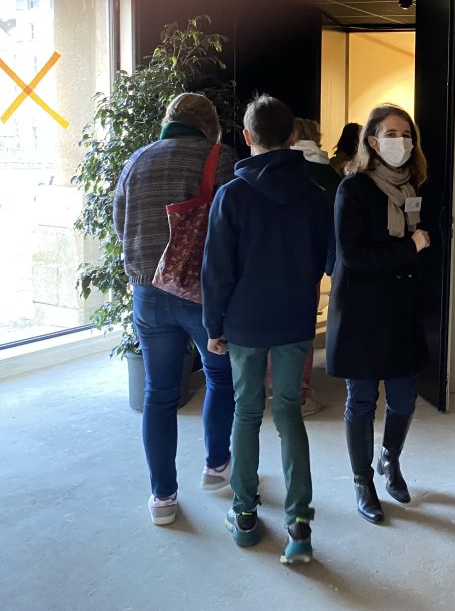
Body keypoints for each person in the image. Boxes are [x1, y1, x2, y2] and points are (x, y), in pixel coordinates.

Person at [202, 95, 331, 564]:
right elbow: (323, 258)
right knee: (290, 412)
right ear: (294, 136)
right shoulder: (315, 194)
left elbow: (217, 270)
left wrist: (213, 325)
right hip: (295, 318)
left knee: (247, 412)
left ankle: (245, 515)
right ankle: (299, 526)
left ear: (247, 137)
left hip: (245, 323)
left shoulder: (231, 196)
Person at [113, 92, 238, 527]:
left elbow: (119, 222)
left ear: (170, 119)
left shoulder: (136, 160)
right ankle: (216, 465)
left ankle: (162, 497)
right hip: (203, 296)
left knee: (159, 394)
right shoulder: (220, 158)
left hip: (148, 294)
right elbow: (233, 226)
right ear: (210, 126)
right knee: (221, 377)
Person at [325, 104, 431, 525]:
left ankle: (390, 458)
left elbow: (427, 238)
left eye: (406, 134)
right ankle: (362, 480)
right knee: (362, 400)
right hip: (362, 313)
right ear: (372, 140)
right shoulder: (352, 189)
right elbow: (352, 256)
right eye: (391, 133)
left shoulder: (414, 186)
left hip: (402, 310)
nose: (400, 141)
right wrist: (411, 248)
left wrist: (421, 245)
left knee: (404, 398)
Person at [282, 117, 343, 416]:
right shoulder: (330, 174)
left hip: (281, 256)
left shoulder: (285, 171)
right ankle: (299, 392)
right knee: (304, 324)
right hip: (318, 258)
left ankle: (277, 384)